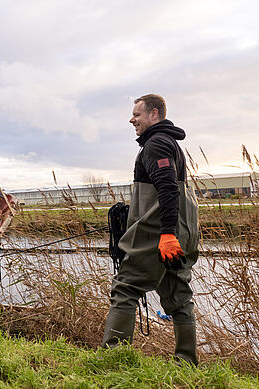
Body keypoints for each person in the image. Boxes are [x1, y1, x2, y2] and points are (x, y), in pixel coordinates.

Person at [102, 94, 200, 365]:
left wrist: (167, 234)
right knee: (179, 298)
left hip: (159, 233)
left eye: (137, 114)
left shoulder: (156, 144)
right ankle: (186, 363)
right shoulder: (170, 144)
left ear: (154, 114)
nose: (131, 119)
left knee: (125, 288)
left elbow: (168, 188)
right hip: (180, 231)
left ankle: (112, 359)